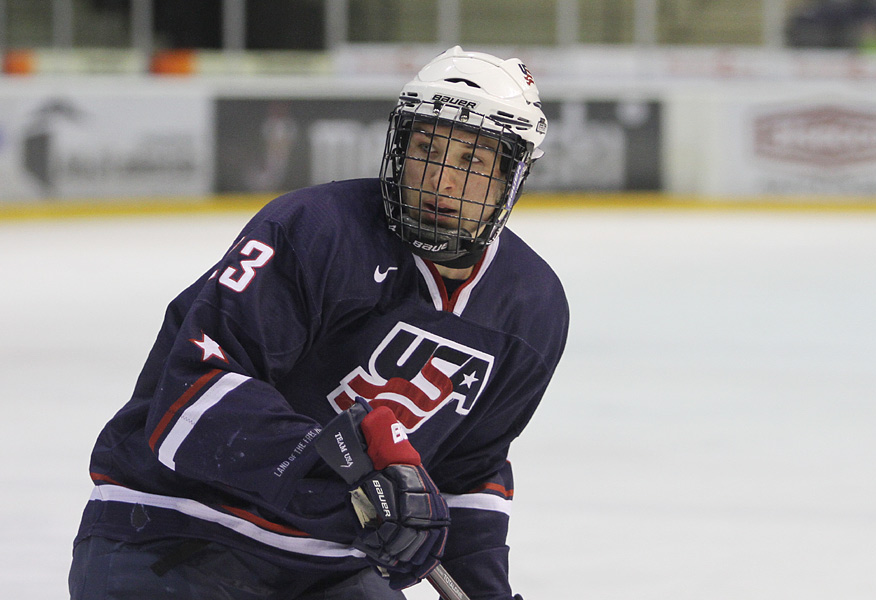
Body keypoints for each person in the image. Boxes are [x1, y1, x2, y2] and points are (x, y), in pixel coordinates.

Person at [69, 46, 568, 600]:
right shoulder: (315, 230)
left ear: (511, 175)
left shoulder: (530, 306)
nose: (439, 181)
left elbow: (468, 474)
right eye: (427, 148)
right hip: (174, 532)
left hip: (333, 568)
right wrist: (341, 455)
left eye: (471, 163)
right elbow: (190, 397)